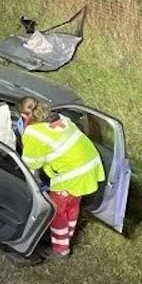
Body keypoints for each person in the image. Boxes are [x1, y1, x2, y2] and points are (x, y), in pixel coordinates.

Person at [16, 96, 105, 258]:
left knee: (57, 211)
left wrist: (24, 139)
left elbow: (32, 163)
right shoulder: (60, 117)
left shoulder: (33, 133)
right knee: (72, 204)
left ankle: (60, 249)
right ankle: (68, 235)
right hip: (90, 165)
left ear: (24, 116)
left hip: (73, 175)